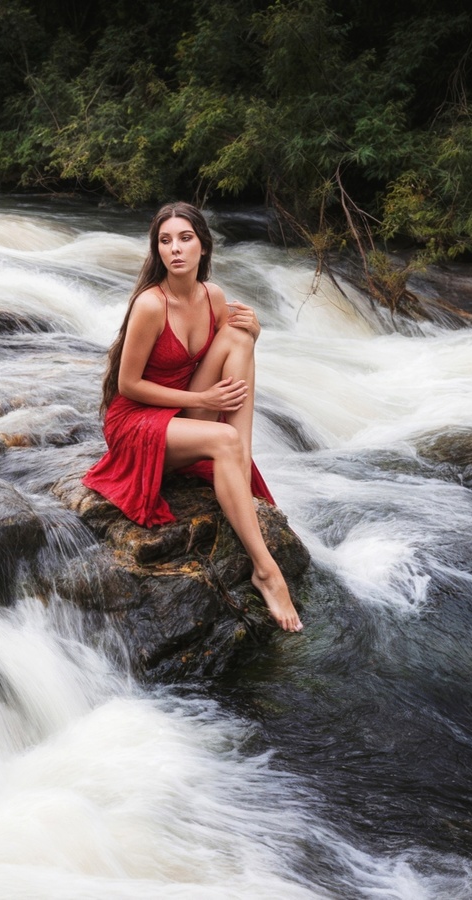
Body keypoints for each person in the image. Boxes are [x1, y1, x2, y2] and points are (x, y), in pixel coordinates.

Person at [83, 202, 303, 632]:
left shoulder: (212, 296)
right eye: (165, 241)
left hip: (183, 408)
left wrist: (255, 334)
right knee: (221, 440)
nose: (175, 249)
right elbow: (128, 385)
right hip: (137, 422)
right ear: (157, 251)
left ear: (203, 246)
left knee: (239, 335)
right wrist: (202, 395)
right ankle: (265, 570)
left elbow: (230, 353)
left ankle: (237, 463)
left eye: (185, 239)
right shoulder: (151, 305)